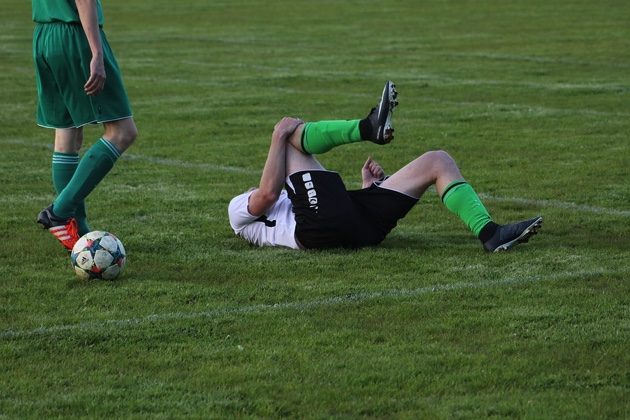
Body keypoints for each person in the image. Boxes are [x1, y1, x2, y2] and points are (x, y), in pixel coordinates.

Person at [228, 81, 542, 252]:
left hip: (360, 229)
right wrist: (276, 135)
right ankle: (368, 128)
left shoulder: (295, 198)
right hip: (314, 231)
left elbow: (326, 207)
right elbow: (267, 194)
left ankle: (490, 234)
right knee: (291, 138)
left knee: (438, 161)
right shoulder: (236, 211)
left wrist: (367, 189)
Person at [32, 0, 137, 250]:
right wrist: (97, 53)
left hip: (45, 35)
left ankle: (77, 232)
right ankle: (59, 212)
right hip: (75, 36)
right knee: (123, 132)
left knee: (67, 132)